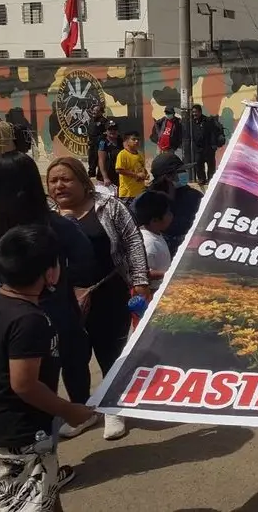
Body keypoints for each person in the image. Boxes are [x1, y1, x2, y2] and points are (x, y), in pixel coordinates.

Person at [0, 224, 96, 512]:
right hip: (22, 433)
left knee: (41, 495)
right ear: (50, 273)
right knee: (26, 504)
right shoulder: (29, 320)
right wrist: (68, 410)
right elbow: (24, 384)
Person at [46, 157, 150, 441]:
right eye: (53, 181)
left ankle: (114, 407)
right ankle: (82, 411)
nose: (59, 185)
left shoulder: (109, 207)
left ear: (82, 181)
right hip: (64, 300)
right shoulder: (46, 215)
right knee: (73, 357)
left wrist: (140, 282)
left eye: (65, 179)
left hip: (109, 293)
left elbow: (132, 242)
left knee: (110, 353)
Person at [145, 152, 204, 254]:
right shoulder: (150, 200)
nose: (185, 173)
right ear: (168, 177)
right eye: (181, 171)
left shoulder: (194, 196)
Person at [133, 191, 174, 293]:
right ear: (155, 220)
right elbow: (144, 273)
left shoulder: (155, 234)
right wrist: (171, 273)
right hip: (154, 291)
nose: (172, 215)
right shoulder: (148, 243)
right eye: (168, 213)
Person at [189, 105, 224, 185]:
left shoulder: (207, 121)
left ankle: (211, 179)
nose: (194, 114)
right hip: (198, 148)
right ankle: (201, 179)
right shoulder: (192, 122)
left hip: (208, 147)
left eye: (195, 112)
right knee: (198, 164)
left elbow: (212, 133)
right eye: (193, 112)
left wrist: (213, 145)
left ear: (200, 112)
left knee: (211, 164)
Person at [115, 131, 147, 206]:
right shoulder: (123, 154)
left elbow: (141, 167)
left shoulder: (140, 154)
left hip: (140, 191)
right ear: (127, 142)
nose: (137, 141)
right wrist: (136, 175)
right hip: (128, 193)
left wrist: (145, 174)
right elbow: (119, 170)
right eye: (133, 139)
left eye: (138, 139)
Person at [96, 120, 122, 190]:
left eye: (115, 129)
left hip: (117, 176)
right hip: (106, 178)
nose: (113, 131)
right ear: (106, 131)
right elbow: (101, 160)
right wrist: (105, 177)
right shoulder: (103, 143)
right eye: (110, 129)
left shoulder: (121, 141)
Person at [86, 103, 107, 179]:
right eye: (93, 110)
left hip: (100, 144)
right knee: (91, 159)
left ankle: (100, 175)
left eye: (97, 111)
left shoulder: (104, 121)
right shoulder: (91, 120)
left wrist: (99, 140)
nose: (94, 112)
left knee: (100, 160)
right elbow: (90, 131)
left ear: (101, 112)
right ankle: (91, 174)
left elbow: (106, 133)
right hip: (92, 143)